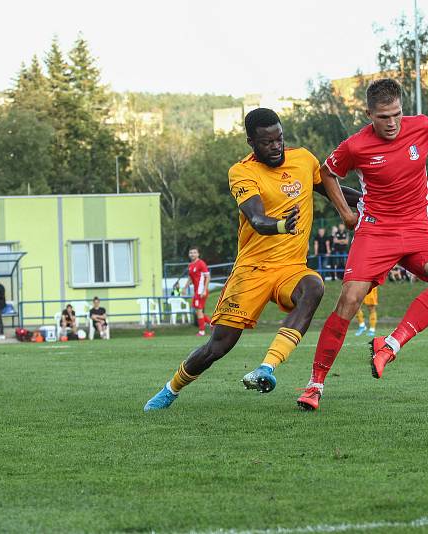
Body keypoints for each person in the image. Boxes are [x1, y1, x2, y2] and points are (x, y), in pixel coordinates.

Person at [296, 78, 428, 411]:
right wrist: (345, 213)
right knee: (350, 299)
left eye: (397, 114)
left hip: (416, 229)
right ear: (369, 113)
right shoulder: (355, 146)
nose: (392, 122)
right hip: (375, 231)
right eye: (384, 116)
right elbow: (327, 173)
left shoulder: (421, 127)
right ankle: (315, 385)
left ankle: (390, 345)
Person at [144, 108, 360, 411]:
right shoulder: (242, 172)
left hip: (291, 268)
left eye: (279, 139)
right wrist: (283, 224)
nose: (276, 147)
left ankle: (266, 368)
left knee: (314, 288)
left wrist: (372, 199)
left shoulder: (304, 160)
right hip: (251, 271)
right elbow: (257, 218)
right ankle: (171, 388)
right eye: (267, 142)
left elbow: (333, 190)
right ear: (251, 142)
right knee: (218, 347)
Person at [181, 247, 210, 336]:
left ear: (198, 254)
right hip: (196, 291)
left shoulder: (201, 264)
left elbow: (208, 277)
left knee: (199, 311)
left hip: (201, 291)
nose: (192, 254)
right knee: (198, 311)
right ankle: (213, 324)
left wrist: (204, 290)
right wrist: (185, 288)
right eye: (191, 253)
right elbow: (190, 278)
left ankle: (202, 331)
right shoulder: (190, 265)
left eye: (194, 252)